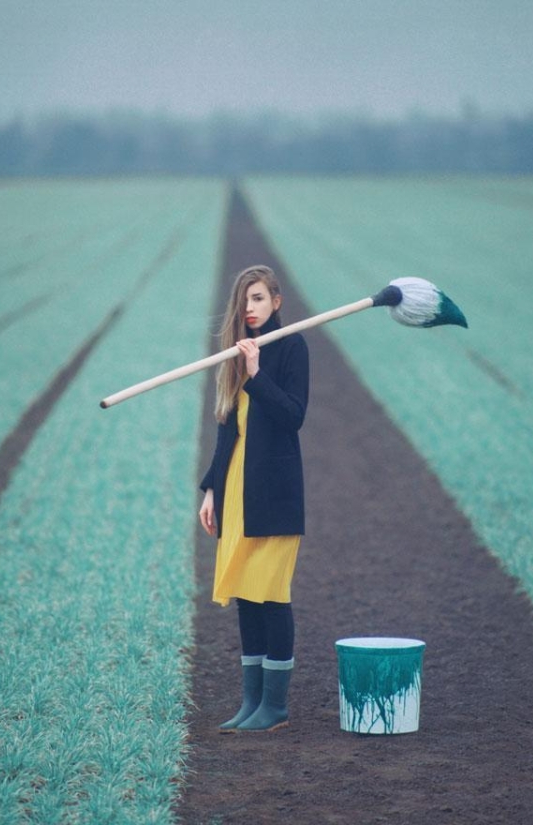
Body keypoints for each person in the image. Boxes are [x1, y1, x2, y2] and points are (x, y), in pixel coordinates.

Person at [199, 264, 309, 733]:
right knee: (246, 595)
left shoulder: (290, 347)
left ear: (277, 302)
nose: (250, 308)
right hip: (236, 493)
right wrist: (210, 489)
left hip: (274, 495)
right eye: (245, 300)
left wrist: (256, 374)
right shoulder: (235, 353)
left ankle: (275, 707)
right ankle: (251, 702)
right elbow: (229, 430)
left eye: (259, 298)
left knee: (270, 595)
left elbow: (292, 417)